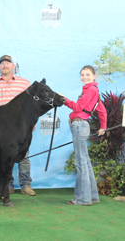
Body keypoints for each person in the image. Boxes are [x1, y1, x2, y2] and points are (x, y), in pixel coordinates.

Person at [0, 55, 36, 196]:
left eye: (8, 63)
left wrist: (32, 122)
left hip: (20, 127)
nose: (5, 66)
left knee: (23, 155)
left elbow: (32, 105)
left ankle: (26, 185)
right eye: (2, 64)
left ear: (13, 66)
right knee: (2, 156)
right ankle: (8, 185)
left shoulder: (25, 83)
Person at [63, 65, 107, 206]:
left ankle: (82, 199)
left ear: (94, 76)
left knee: (81, 162)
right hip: (82, 125)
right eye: (82, 75)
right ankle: (92, 196)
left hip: (79, 125)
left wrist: (65, 100)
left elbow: (77, 107)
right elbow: (102, 111)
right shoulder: (94, 91)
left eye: (88, 75)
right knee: (85, 162)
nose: (85, 77)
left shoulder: (90, 90)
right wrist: (103, 127)